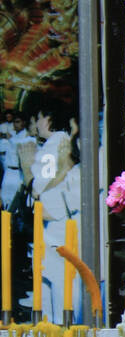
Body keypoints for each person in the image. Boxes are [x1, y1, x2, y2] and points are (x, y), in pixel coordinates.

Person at [21, 88, 80, 323]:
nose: (36, 125)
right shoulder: (61, 143)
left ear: (48, 118)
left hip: (55, 225)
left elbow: (37, 186)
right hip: (56, 224)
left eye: (38, 118)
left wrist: (26, 166)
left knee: (57, 285)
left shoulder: (54, 143)